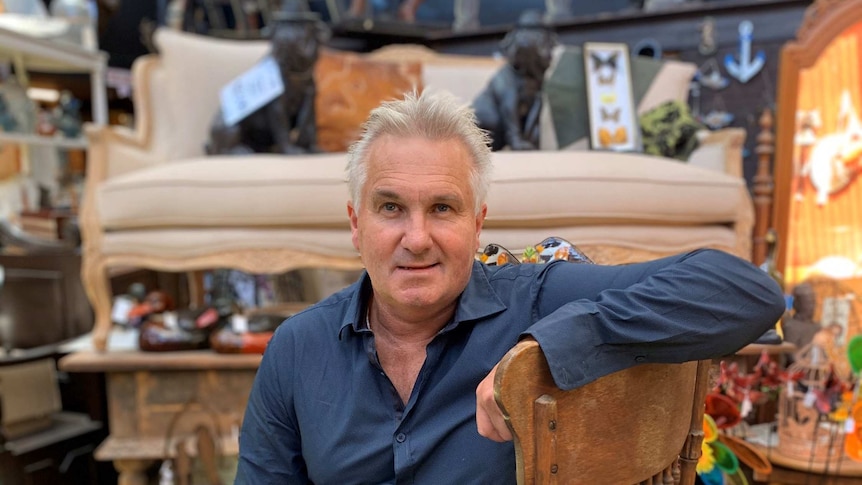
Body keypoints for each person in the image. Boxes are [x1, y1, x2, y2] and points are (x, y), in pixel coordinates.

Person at [235, 90, 786, 483]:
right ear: (356, 224)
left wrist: (548, 349)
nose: (417, 238)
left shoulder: (537, 298)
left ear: (478, 223)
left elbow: (746, 291)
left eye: (443, 208)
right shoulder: (296, 349)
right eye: (391, 208)